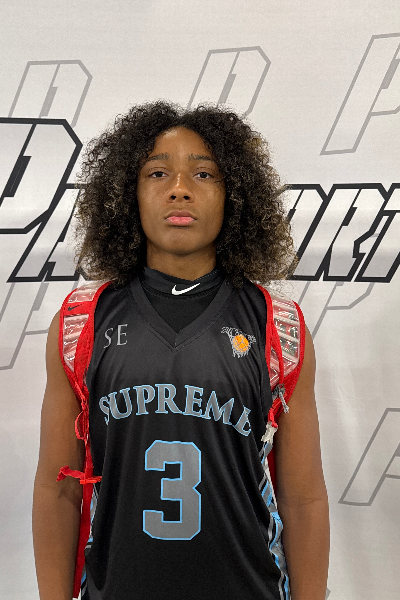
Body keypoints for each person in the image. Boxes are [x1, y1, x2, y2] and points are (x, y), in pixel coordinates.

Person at [32, 101, 329, 600]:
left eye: (204, 173)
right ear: (127, 194)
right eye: (157, 173)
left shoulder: (277, 324)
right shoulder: (81, 322)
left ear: (235, 195)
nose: (179, 188)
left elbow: (303, 499)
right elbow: (57, 489)